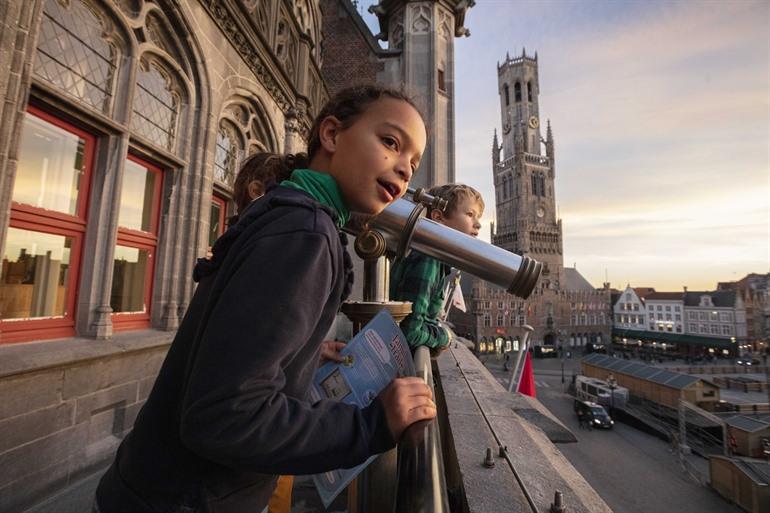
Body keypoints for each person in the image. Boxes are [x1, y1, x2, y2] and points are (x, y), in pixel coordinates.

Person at [94, 84, 433, 513]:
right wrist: (372, 425)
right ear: (331, 135)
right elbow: (225, 415)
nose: (404, 169)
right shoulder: (306, 234)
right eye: (391, 142)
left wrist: (303, 354)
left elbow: (229, 343)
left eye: (413, 163)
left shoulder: (285, 212)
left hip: (145, 488)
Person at [389, 183, 484, 351]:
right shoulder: (427, 259)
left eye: (478, 218)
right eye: (470, 214)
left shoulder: (433, 259)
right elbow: (410, 333)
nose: (478, 224)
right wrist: (444, 337)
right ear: (438, 217)